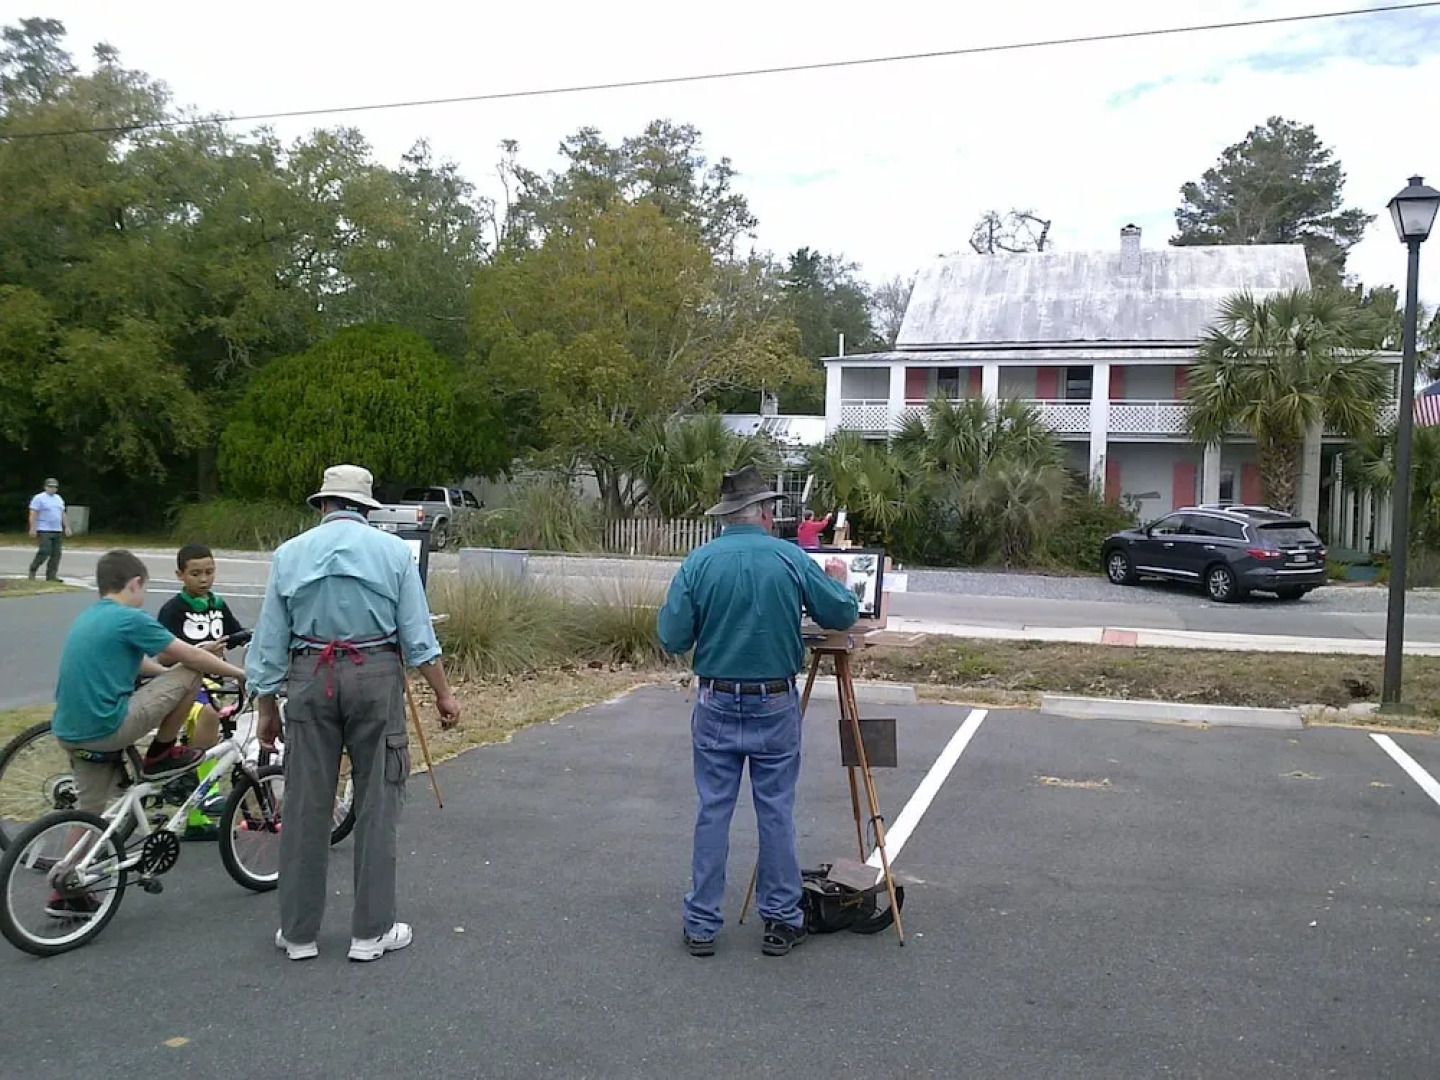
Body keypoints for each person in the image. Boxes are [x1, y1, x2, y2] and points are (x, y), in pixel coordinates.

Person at [247, 463, 461, 963]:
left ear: (322, 504)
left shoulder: (289, 554)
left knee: (304, 807)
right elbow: (417, 637)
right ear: (366, 508)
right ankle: (371, 932)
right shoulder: (391, 553)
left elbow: (269, 642)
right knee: (377, 803)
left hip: (308, 675)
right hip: (374, 673)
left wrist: (265, 707)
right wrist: (444, 695)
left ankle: (298, 933)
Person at [657, 466, 858, 958]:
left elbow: (672, 636)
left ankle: (702, 923)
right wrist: (841, 582)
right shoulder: (789, 557)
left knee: (713, 810)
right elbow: (841, 614)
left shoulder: (700, 561)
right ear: (766, 512)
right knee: (775, 811)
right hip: (773, 699)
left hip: (717, 698)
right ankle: (782, 918)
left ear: (726, 516)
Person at [50, 549, 248, 915]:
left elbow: (143, 662)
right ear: (136, 582)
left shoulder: (91, 617)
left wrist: (166, 674)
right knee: (192, 673)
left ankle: (67, 884)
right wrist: (240, 675)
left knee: (90, 811)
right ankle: (162, 752)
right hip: (110, 728)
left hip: (70, 730)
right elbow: (189, 660)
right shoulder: (130, 617)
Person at [156, 543, 249, 838]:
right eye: (195, 573)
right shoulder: (173, 610)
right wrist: (199, 650)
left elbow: (235, 635)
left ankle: (196, 815)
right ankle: (203, 792)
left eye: (209, 572)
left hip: (214, 684)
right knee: (210, 716)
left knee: (225, 732)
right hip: (183, 684)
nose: (204, 579)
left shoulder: (218, 604)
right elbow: (162, 656)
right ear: (180, 575)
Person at [27, 477, 70, 581]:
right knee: (45, 550)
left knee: (56, 554)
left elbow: (62, 513)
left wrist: (67, 526)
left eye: (54, 487)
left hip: (57, 529)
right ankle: (33, 569)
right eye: (50, 486)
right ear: (45, 487)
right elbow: (33, 513)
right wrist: (33, 527)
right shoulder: (39, 498)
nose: (52, 489)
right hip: (44, 528)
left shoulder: (58, 498)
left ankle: (51, 576)